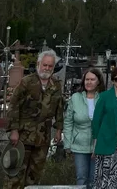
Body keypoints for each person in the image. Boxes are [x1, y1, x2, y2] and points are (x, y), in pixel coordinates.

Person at [6, 49, 66, 189]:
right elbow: (14, 106)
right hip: (23, 135)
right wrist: (14, 130)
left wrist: (58, 129)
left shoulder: (56, 85)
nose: (47, 68)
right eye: (44, 65)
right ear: (39, 64)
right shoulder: (26, 82)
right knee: (15, 174)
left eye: (50, 66)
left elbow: (59, 107)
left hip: (43, 137)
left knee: (34, 175)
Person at [65, 67, 104, 188]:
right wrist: (67, 143)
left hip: (99, 145)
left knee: (95, 178)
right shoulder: (75, 98)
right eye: (87, 79)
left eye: (92, 79)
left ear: (98, 81)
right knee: (81, 178)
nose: (89, 82)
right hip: (79, 145)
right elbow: (68, 122)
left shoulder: (104, 98)